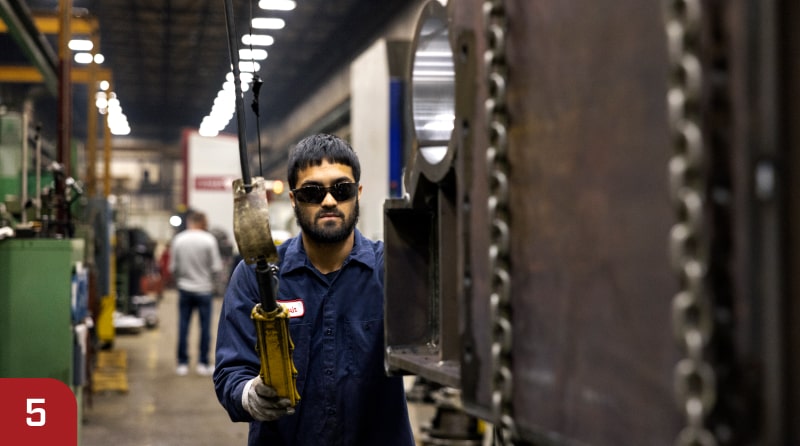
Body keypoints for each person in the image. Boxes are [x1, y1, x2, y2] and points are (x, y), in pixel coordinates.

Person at [213, 134, 414, 445]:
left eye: (342, 189)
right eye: (312, 192)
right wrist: (249, 394)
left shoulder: (392, 270)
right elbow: (231, 372)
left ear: (357, 193)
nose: (329, 201)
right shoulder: (257, 275)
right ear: (294, 199)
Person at [169, 210, 223, 376]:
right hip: (204, 290)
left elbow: (173, 268)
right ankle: (203, 363)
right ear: (202, 223)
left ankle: (182, 363)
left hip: (185, 289)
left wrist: (182, 280)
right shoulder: (209, 240)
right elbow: (216, 267)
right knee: (205, 328)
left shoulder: (179, 240)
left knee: (183, 326)